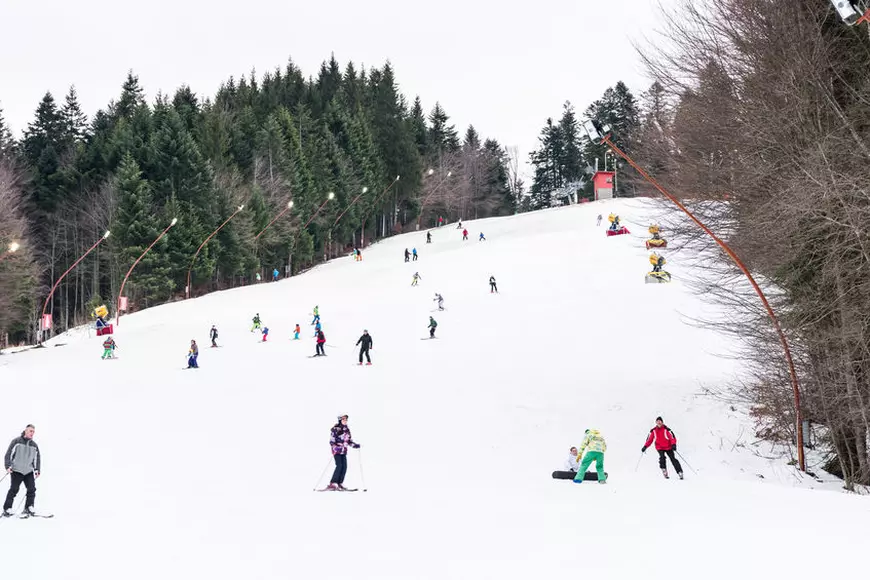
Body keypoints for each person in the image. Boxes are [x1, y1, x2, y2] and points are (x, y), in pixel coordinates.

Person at [3, 424, 41, 517]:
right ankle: (7, 509)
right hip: (16, 470)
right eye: (31, 431)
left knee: (31, 489)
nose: (32, 433)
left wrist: (37, 469)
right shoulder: (16, 441)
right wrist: (8, 466)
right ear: (26, 431)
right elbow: (8, 454)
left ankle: (29, 507)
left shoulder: (34, 445)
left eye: (33, 432)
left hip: (28, 471)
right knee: (14, 489)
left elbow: (37, 458)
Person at [326, 415, 360, 491]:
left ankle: (340, 483)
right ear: (340, 420)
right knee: (339, 465)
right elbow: (332, 441)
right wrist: (336, 447)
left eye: (346, 420)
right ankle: (333, 483)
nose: (345, 421)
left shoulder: (346, 429)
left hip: (343, 451)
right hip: (337, 451)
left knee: (344, 466)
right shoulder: (335, 429)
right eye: (343, 419)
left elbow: (349, 441)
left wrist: (354, 445)